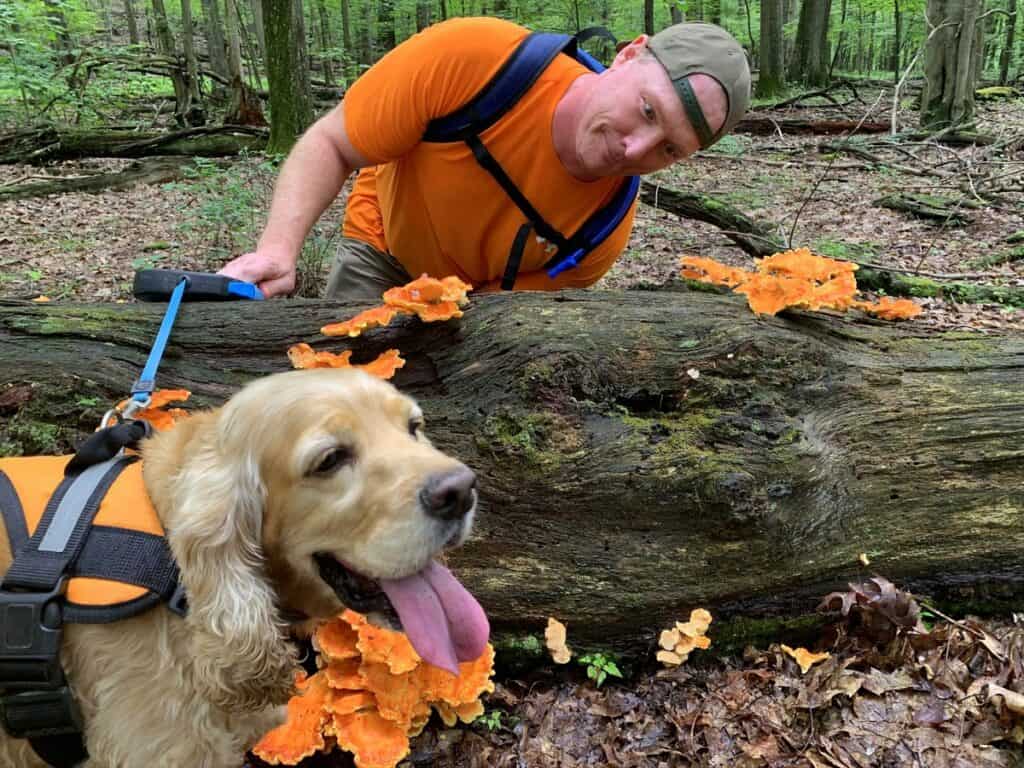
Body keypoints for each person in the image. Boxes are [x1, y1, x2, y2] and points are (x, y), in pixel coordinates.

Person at [219, 16, 750, 299]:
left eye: (669, 150)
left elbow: (500, 321)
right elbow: (333, 141)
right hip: (383, 244)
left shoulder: (600, 230)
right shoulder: (475, 59)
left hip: (470, 302)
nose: (635, 150)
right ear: (629, 54)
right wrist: (277, 251)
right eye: (648, 111)